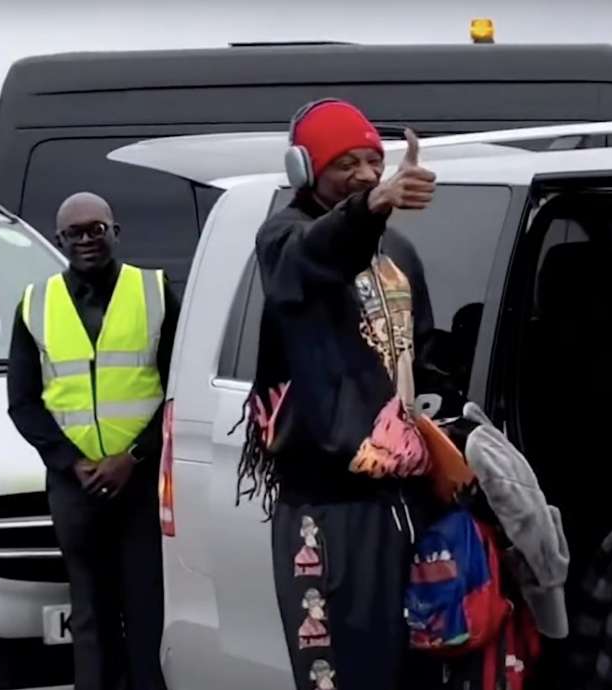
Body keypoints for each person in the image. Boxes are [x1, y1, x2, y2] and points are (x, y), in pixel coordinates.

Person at [235, 99, 438, 690]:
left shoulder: (397, 252)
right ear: (304, 169)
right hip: (325, 509)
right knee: (338, 676)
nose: (367, 175)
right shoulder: (284, 238)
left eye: (374, 162)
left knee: (407, 669)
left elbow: (420, 352)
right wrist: (369, 206)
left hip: (401, 500)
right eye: (346, 163)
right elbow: (312, 259)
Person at [7, 192, 177, 690]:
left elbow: (177, 393)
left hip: (141, 483)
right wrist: (72, 463)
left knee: (147, 612)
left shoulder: (156, 291)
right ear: (60, 240)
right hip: (75, 488)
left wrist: (134, 457)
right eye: (75, 233)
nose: (86, 240)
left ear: (115, 231)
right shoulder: (35, 304)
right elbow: (24, 403)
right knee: (90, 618)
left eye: (95, 229)